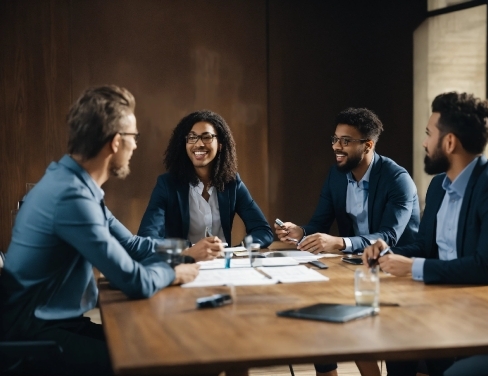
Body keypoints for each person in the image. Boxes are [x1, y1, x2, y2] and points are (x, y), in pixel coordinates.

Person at [0, 86, 199, 376]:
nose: (135, 146)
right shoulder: (71, 197)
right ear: (116, 142)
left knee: (160, 346)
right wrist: (174, 272)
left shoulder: (74, 184)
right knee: (159, 360)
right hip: (34, 338)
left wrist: (181, 253)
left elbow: (129, 245)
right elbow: (133, 280)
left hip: (52, 324)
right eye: (134, 138)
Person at [364, 92, 488, 376]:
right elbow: (426, 245)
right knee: (394, 334)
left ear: (449, 142)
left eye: (429, 134)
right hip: (456, 310)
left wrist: (412, 267)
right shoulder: (439, 186)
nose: (424, 142)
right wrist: (389, 253)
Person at [275, 107, 420, 376]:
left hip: (396, 267)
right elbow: (319, 223)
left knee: (395, 355)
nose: (337, 147)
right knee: (317, 307)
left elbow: (388, 237)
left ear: (368, 145)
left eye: (345, 141)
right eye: (335, 139)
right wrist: (300, 232)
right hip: (354, 266)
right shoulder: (336, 176)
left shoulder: (397, 180)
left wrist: (340, 243)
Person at [138, 110, 273, 258]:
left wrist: (236, 251)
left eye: (207, 137)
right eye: (192, 137)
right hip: (183, 266)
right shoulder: (167, 184)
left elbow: (262, 230)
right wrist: (187, 251)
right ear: (184, 144)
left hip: (224, 267)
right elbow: (147, 238)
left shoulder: (232, 183)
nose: (199, 144)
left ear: (220, 144)